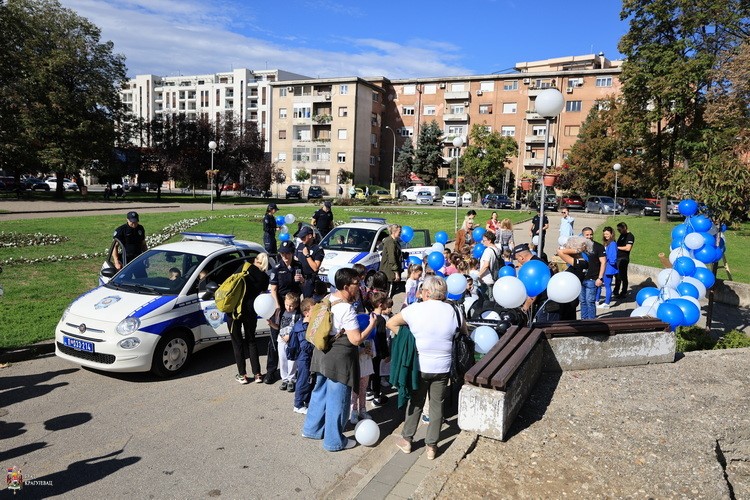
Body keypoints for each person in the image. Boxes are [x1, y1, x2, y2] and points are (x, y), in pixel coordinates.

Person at [386, 276, 460, 461]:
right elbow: (463, 331)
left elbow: (391, 323)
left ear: (426, 292)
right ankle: (432, 446)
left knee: (415, 402)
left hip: (419, 365)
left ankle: (407, 440)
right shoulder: (453, 310)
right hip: (442, 366)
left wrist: (408, 340)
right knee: (437, 405)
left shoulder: (415, 309)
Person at [302, 267, 376, 452]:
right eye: (356, 284)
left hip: (321, 353)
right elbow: (356, 339)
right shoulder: (346, 309)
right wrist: (372, 325)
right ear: (345, 286)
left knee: (319, 392)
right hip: (339, 360)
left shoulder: (328, 298)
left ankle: (312, 429)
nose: (359, 287)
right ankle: (334, 441)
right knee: (338, 399)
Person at [228, 253, 270, 384]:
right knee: (251, 341)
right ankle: (257, 373)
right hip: (251, 311)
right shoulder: (265, 278)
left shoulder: (245, 267)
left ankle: (242, 375)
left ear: (256, 260)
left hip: (236, 310)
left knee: (237, 342)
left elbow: (231, 282)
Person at [267, 240, 304, 384]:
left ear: (292, 253)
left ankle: (293, 374)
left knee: (294, 338)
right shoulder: (277, 268)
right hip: (281, 307)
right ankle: (271, 371)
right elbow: (273, 290)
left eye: (287, 253)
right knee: (275, 339)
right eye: (282, 253)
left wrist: (301, 281)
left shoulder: (298, 266)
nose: (285, 256)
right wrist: (277, 307)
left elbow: (304, 286)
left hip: (295, 306)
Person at [515, 243, 558, 322]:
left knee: (541, 331)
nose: (518, 262)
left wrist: (524, 309)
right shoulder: (538, 261)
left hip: (546, 305)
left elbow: (533, 292)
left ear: (521, 257)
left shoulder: (533, 267)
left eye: (517, 259)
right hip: (550, 303)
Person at [269, 292, 301, 392]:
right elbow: (278, 327)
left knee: (292, 361)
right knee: (282, 360)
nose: (289, 307)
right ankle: (285, 379)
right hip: (281, 340)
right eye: (287, 304)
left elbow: (298, 328)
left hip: (292, 341)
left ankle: (292, 379)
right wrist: (271, 324)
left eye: (291, 305)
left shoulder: (297, 315)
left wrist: (290, 336)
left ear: (296, 305)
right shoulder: (281, 312)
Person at [555, 235, 590, 320]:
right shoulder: (583, 263)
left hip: (569, 297)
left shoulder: (579, 263)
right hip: (571, 295)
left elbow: (560, 252)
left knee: (566, 319)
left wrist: (577, 249)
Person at [367, 292, 392, 407]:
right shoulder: (381, 319)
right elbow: (382, 337)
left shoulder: (370, 315)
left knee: (369, 371)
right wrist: (386, 353)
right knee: (376, 373)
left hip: (369, 349)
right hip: (377, 350)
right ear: (381, 304)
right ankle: (377, 397)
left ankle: (368, 391)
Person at [292, 298, 316, 414]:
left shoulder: (306, 324)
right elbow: (305, 346)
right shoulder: (302, 326)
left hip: (307, 357)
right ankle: (298, 404)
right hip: (304, 357)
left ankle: (307, 401)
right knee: (303, 380)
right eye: (313, 309)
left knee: (309, 380)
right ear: (306, 312)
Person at [350, 324, 375, 424]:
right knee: (354, 392)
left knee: (363, 391)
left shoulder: (370, 341)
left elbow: (374, 354)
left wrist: (370, 353)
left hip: (367, 369)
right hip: (356, 370)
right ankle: (354, 412)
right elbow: (350, 356)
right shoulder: (354, 341)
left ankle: (363, 410)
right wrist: (361, 351)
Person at [580, 227, 606, 320]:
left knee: (589, 301)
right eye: (587, 235)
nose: (589, 236)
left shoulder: (598, 247)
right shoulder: (579, 246)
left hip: (592, 279)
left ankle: (591, 321)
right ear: (583, 236)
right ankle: (583, 320)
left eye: (591, 234)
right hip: (581, 278)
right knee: (582, 301)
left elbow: (603, 262)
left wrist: (600, 278)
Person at [296, 226, 324, 298]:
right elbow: (295, 259)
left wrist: (307, 255)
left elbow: (315, 268)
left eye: (303, 237)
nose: (301, 239)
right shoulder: (300, 246)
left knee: (307, 303)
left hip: (309, 280)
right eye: (300, 237)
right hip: (299, 278)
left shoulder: (317, 249)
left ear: (310, 236)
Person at [597, 226, 619, 309]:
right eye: (604, 234)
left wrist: (607, 262)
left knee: (607, 285)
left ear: (611, 234)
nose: (606, 235)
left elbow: (613, 258)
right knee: (606, 285)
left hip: (608, 268)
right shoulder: (608, 243)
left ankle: (607, 303)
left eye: (607, 234)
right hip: (606, 267)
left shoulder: (612, 243)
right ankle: (604, 301)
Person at [379, 224, 403, 296]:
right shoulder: (390, 242)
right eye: (399, 232)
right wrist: (396, 272)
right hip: (389, 272)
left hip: (391, 270)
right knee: (388, 294)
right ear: (394, 231)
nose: (400, 233)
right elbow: (391, 258)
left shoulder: (395, 241)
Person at [613, 222, 635, 299]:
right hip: (617, 257)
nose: (619, 231)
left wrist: (617, 247)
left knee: (623, 276)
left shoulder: (630, 236)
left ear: (625, 228)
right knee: (617, 275)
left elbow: (628, 248)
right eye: (618, 230)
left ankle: (624, 292)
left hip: (623, 258)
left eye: (620, 229)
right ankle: (616, 291)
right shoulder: (622, 235)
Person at [478, 231, 500, 301]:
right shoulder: (496, 249)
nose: (483, 242)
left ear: (489, 240)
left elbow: (486, 265)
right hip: (493, 278)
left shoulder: (488, 250)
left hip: (486, 280)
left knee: (488, 301)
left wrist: (478, 275)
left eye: (484, 240)